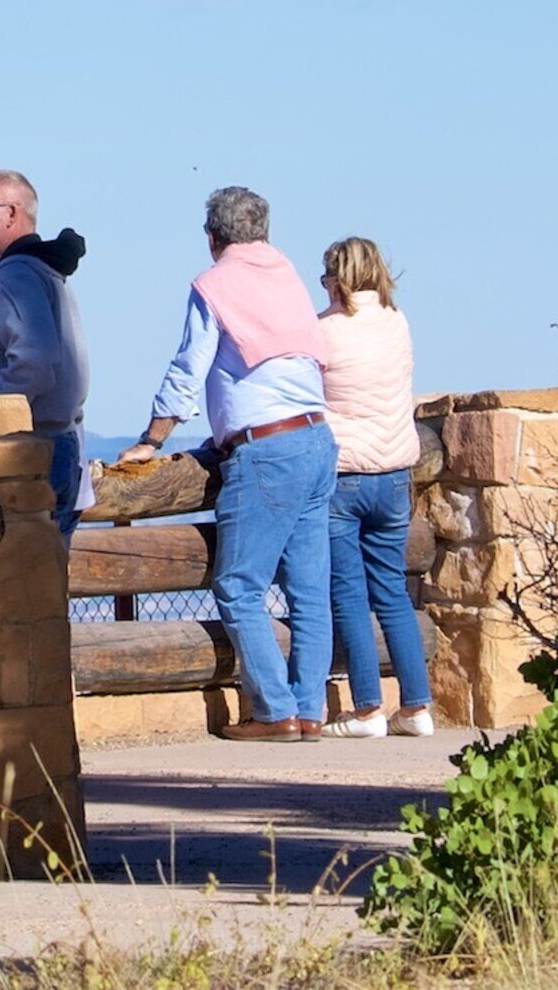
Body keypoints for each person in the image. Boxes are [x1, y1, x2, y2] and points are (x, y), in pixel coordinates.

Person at [115, 186, 334, 744]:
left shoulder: (214, 285)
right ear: (263, 230)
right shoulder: (287, 274)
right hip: (316, 436)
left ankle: (275, 711)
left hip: (266, 449)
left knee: (238, 585)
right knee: (309, 591)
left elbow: (189, 368)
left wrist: (152, 437)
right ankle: (309, 710)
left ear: (213, 237)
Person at [313, 236, 434, 737]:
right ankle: (417, 707)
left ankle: (366, 709)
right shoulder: (398, 322)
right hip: (395, 473)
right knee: (392, 592)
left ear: (337, 278)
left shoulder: (324, 331)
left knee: (348, 593)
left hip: (346, 474)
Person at [0, 168, 91, 533]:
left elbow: (35, 365)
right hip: (53, 447)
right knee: (41, 584)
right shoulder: (40, 270)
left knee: (18, 586)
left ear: (11, 213)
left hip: (28, 458)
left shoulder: (16, 276)